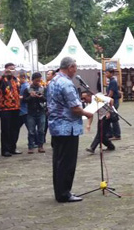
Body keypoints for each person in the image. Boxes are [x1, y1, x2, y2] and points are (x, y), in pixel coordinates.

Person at [47, 57, 94, 202]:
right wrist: (88, 112)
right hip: (67, 127)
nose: (76, 70)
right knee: (67, 162)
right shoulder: (66, 83)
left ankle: (60, 191)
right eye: (75, 67)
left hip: (56, 126)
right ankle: (64, 193)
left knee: (58, 161)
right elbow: (75, 108)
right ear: (70, 67)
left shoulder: (53, 81)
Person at [0, 62, 22, 157]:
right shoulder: (2, 79)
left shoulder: (16, 80)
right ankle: (5, 150)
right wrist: (3, 75)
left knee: (15, 129)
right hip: (5, 108)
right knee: (6, 129)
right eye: (10, 69)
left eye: (13, 69)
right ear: (6, 69)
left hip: (16, 107)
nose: (12, 71)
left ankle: (12, 147)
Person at [23, 72, 47, 153]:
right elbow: (24, 100)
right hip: (31, 113)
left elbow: (46, 99)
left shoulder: (43, 88)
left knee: (41, 130)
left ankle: (41, 146)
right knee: (31, 131)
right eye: (37, 81)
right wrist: (31, 96)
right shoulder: (27, 89)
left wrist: (41, 97)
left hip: (41, 111)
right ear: (33, 80)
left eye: (39, 81)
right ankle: (30, 147)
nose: (38, 82)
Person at [105, 69, 121, 140]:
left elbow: (111, 93)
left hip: (113, 101)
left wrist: (106, 99)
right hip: (112, 101)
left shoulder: (113, 82)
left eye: (107, 73)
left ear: (111, 73)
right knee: (110, 118)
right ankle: (110, 133)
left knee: (114, 118)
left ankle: (117, 135)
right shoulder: (111, 81)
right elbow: (109, 92)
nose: (105, 74)